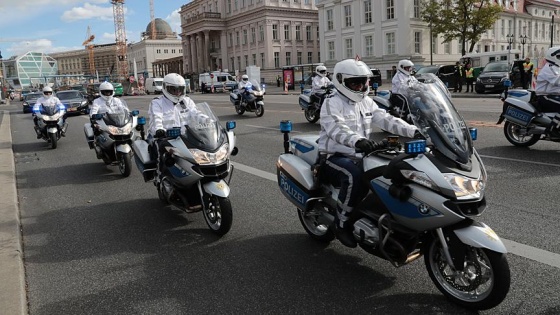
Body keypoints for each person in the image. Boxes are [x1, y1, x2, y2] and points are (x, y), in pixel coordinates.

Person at [319, 58, 419, 248]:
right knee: (353, 175)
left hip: (363, 155)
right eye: (355, 82)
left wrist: (414, 130)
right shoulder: (332, 103)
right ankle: (341, 224)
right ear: (341, 81)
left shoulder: (367, 102)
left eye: (364, 81)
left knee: (395, 171)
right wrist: (358, 141)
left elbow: (387, 119)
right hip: (335, 156)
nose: (361, 86)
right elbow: (336, 129)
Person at [536, 46, 560, 132]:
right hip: (545, 96)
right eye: (559, 56)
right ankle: (552, 129)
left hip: (553, 96)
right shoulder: (549, 68)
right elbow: (557, 81)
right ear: (552, 56)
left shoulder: (556, 67)